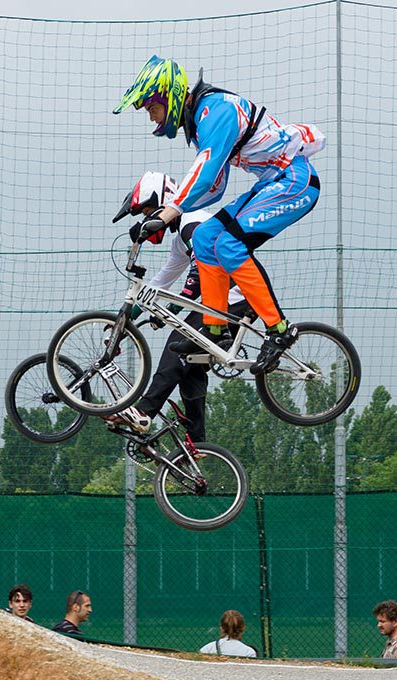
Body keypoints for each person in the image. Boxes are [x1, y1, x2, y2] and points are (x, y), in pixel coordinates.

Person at [113, 56, 327, 375]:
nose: (151, 117)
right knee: (204, 237)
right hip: (275, 183)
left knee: (229, 245)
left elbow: (206, 169)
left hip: (295, 182)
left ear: (167, 96)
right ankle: (215, 330)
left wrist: (171, 211)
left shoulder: (216, 111)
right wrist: (163, 213)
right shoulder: (203, 122)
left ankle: (279, 329)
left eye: (151, 108)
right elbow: (214, 188)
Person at [105, 171, 248, 439]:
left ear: (165, 201)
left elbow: (198, 275)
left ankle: (144, 412)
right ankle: (198, 441)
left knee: (178, 342)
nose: (147, 219)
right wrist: (124, 323)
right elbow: (160, 284)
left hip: (235, 297)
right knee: (191, 361)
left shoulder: (192, 222)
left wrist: (172, 312)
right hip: (223, 299)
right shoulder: (180, 240)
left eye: (148, 211)